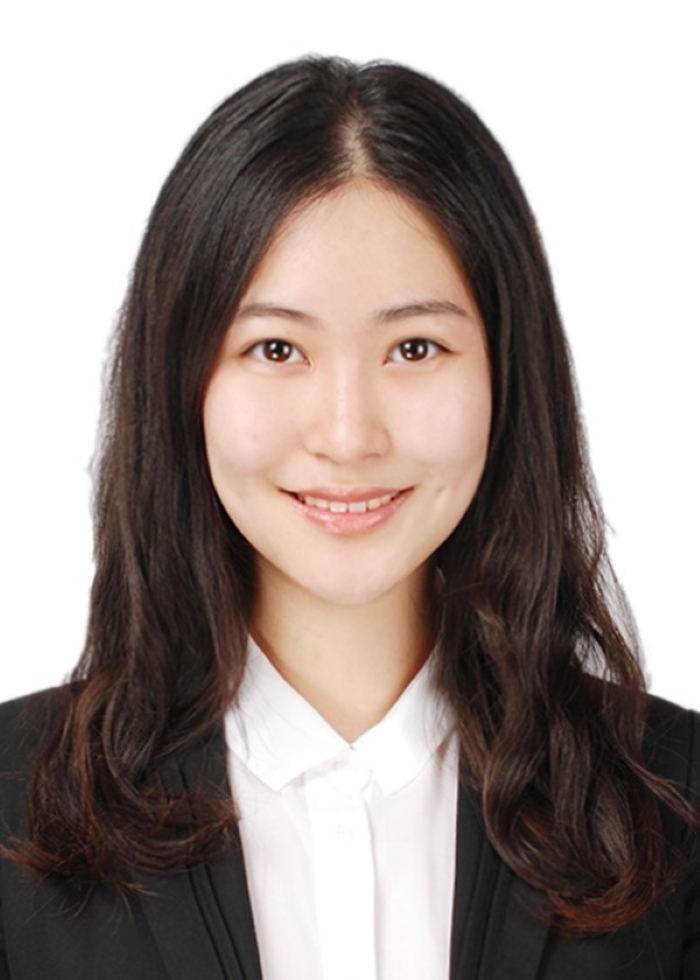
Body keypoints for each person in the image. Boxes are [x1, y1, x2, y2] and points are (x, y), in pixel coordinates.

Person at [0, 56, 698, 980]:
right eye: (275, 348)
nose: (346, 434)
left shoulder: (677, 806)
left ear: (507, 375)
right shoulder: (12, 809)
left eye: (414, 347)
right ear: (182, 380)